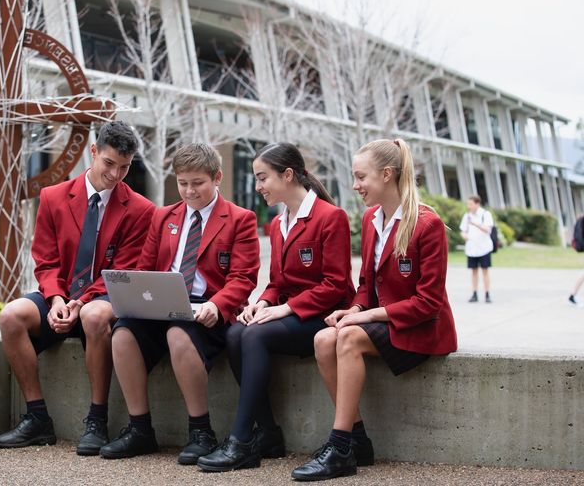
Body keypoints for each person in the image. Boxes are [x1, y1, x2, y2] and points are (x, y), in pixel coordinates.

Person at [291, 138, 458, 481]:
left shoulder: (427, 224)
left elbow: (429, 303)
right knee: (324, 339)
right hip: (385, 324)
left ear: (386, 175)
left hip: (421, 329)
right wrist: (352, 308)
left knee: (349, 337)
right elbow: (366, 283)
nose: (355, 185)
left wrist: (362, 317)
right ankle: (358, 441)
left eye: (361, 177)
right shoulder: (370, 219)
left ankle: (339, 447)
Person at [0, 121, 155, 454]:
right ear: (93, 153)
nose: (115, 174)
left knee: (94, 317)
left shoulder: (141, 210)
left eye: (124, 167)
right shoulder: (53, 197)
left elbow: (121, 270)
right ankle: (38, 418)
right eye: (109, 163)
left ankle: (96, 419)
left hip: (103, 296)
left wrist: (78, 304)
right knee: (10, 316)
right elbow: (45, 259)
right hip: (58, 293)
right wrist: (54, 300)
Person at [197, 142, 356, 472]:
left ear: (287, 175)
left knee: (254, 337)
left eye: (262, 178)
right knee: (237, 330)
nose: (258, 187)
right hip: (292, 314)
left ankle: (241, 441)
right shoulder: (278, 223)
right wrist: (263, 303)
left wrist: (284, 309)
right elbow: (277, 282)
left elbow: (336, 285)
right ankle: (268, 434)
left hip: (325, 317)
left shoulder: (331, 217)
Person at [100, 143, 260, 464]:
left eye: (197, 183)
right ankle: (140, 428)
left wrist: (217, 305)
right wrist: (135, 296)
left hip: (208, 310)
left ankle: (201, 431)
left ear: (217, 177)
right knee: (123, 333)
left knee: (178, 333)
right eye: (182, 183)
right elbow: (145, 269)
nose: (189, 191)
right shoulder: (163, 217)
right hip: (166, 301)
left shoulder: (240, 219)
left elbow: (243, 279)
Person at [460, 195, 494, 303]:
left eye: (471, 204)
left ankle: (487, 293)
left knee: (485, 271)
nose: (469, 206)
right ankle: (474, 293)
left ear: (477, 204)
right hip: (472, 248)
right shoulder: (467, 216)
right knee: (474, 271)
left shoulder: (485, 214)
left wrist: (475, 223)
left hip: (484, 248)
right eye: (468, 204)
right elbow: (463, 230)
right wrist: (464, 235)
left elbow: (488, 229)